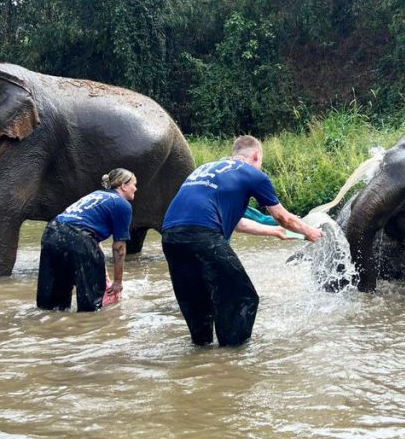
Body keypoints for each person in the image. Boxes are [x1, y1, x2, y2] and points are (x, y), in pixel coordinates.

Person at [161, 135, 323, 347]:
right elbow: (282, 216)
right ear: (256, 155)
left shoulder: (206, 168)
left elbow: (236, 223)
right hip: (202, 235)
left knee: (196, 300)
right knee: (243, 298)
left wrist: (274, 232)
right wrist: (311, 233)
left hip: (170, 237)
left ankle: (201, 352)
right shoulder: (253, 174)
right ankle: (231, 358)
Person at [36, 168, 137, 311]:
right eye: (134, 184)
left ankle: (49, 327)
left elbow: (90, 233)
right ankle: (88, 327)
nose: (136, 188)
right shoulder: (122, 204)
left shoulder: (96, 195)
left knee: (52, 304)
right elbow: (119, 248)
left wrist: (104, 274)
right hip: (78, 237)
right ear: (124, 186)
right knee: (91, 304)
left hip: (51, 233)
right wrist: (117, 282)